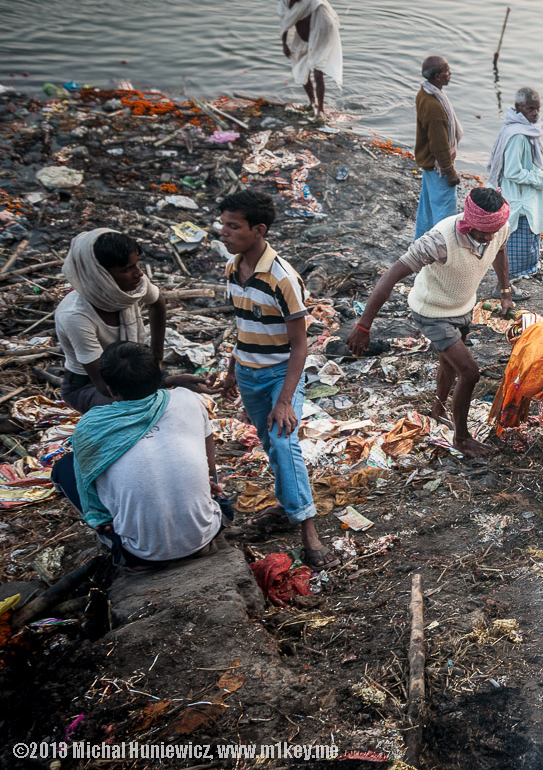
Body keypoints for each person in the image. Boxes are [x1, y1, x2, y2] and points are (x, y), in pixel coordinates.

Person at [346, 188, 515, 458]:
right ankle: (461, 439)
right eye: (484, 231)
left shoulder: (498, 227)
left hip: (462, 306)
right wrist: (364, 326)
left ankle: (437, 412)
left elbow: (499, 250)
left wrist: (505, 292)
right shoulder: (439, 240)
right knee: (470, 372)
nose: (491, 236)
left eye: (495, 229)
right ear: (469, 222)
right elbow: (391, 276)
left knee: (449, 363)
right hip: (431, 311)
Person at [217, 190, 337, 570]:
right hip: (249, 373)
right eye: (223, 225)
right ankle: (289, 506)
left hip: (279, 375)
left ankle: (309, 529)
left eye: (233, 227)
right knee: (270, 443)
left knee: (285, 442)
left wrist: (285, 400)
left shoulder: (283, 278)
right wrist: (233, 371)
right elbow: (243, 326)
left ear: (259, 230)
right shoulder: (232, 270)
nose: (224, 233)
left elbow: (300, 347)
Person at [54, 341, 223, 570]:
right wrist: (203, 484)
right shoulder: (187, 399)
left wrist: (102, 520)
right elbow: (210, 468)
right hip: (202, 537)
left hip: (141, 553)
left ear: (110, 389)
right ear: (158, 376)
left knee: (64, 468)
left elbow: (90, 494)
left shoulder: (91, 425)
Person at [54, 229, 207, 413]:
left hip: (131, 373)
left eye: (137, 264)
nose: (139, 273)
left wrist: (157, 362)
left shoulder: (131, 287)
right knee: (134, 413)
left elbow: (157, 303)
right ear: (101, 275)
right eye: (126, 269)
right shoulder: (76, 316)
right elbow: (106, 387)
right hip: (89, 385)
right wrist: (166, 382)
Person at [486, 87, 543, 291]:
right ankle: (505, 286)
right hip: (518, 199)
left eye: (538, 109)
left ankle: (506, 285)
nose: (535, 113)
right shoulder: (518, 136)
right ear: (518, 108)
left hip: (515, 196)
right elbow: (513, 172)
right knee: (516, 246)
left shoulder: (517, 129)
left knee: (513, 244)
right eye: (530, 109)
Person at [278, 0, 343, 117]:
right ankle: (311, 102)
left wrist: (320, 46)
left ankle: (320, 109)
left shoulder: (314, 3)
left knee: (318, 73)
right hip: (302, 42)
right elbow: (285, 23)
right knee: (302, 70)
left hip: (320, 41)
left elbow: (330, 26)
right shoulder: (285, 1)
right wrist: (284, 44)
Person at [415, 55, 463, 237]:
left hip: (428, 163)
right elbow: (439, 144)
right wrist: (450, 172)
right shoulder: (434, 106)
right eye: (446, 71)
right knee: (445, 214)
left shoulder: (424, 93)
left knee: (426, 210)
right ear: (437, 77)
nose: (449, 74)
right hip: (438, 168)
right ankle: (442, 250)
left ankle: (420, 244)